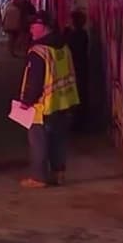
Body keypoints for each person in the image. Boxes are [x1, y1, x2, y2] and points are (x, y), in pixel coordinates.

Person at [18, 12, 80, 187]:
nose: (30, 29)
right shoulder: (63, 47)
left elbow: (35, 79)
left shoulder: (39, 51)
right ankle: (58, 173)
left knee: (38, 141)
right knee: (58, 139)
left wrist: (26, 100)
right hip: (64, 102)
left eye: (34, 25)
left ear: (44, 27)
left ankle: (38, 178)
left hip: (43, 105)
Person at [64, 10, 90, 130]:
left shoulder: (75, 35)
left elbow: (68, 47)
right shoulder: (83, 34)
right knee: (81, 94)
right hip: (82, 67)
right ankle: (81, 121)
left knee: (76, 95)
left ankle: (78, 123)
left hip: (75, 67)